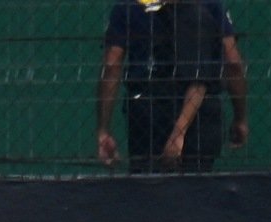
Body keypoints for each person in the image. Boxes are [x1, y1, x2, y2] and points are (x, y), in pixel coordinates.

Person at [96, 0, 249, 174]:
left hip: (147, 110)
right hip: (201, 117)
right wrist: (240, 117)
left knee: (147, 188)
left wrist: (104, 129)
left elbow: (111, 65)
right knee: (198, 189)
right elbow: (233, 63)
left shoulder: (128, 6)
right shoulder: (208, 4)